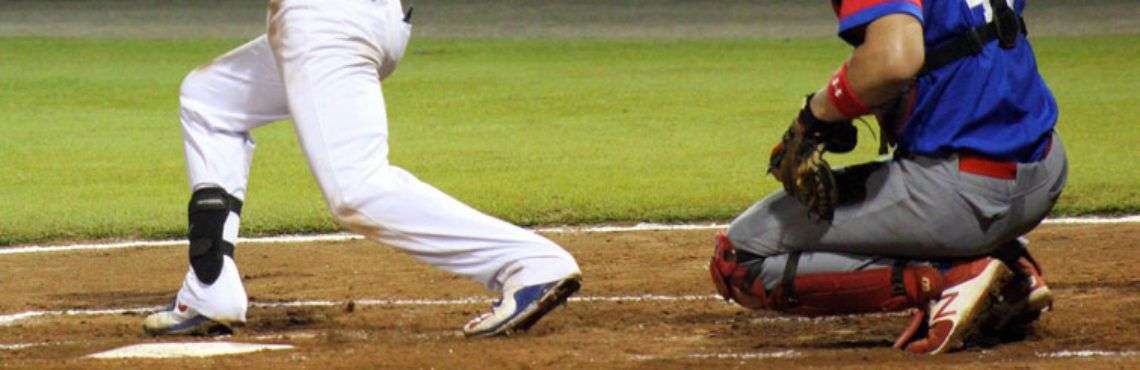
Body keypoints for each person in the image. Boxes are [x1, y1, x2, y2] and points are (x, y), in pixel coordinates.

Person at [143, 0, 581, 338]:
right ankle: (210, 286)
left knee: (357, 191)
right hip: (356, 16)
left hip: (327, 22)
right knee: (209, 98)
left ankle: (529, 263)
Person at [709, 0, 1064, 354]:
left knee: (739, 259)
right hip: (1043, 167)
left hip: (962, 196)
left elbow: (894, 61)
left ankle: (949, 277)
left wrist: (814, 117)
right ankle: (1009, 264)